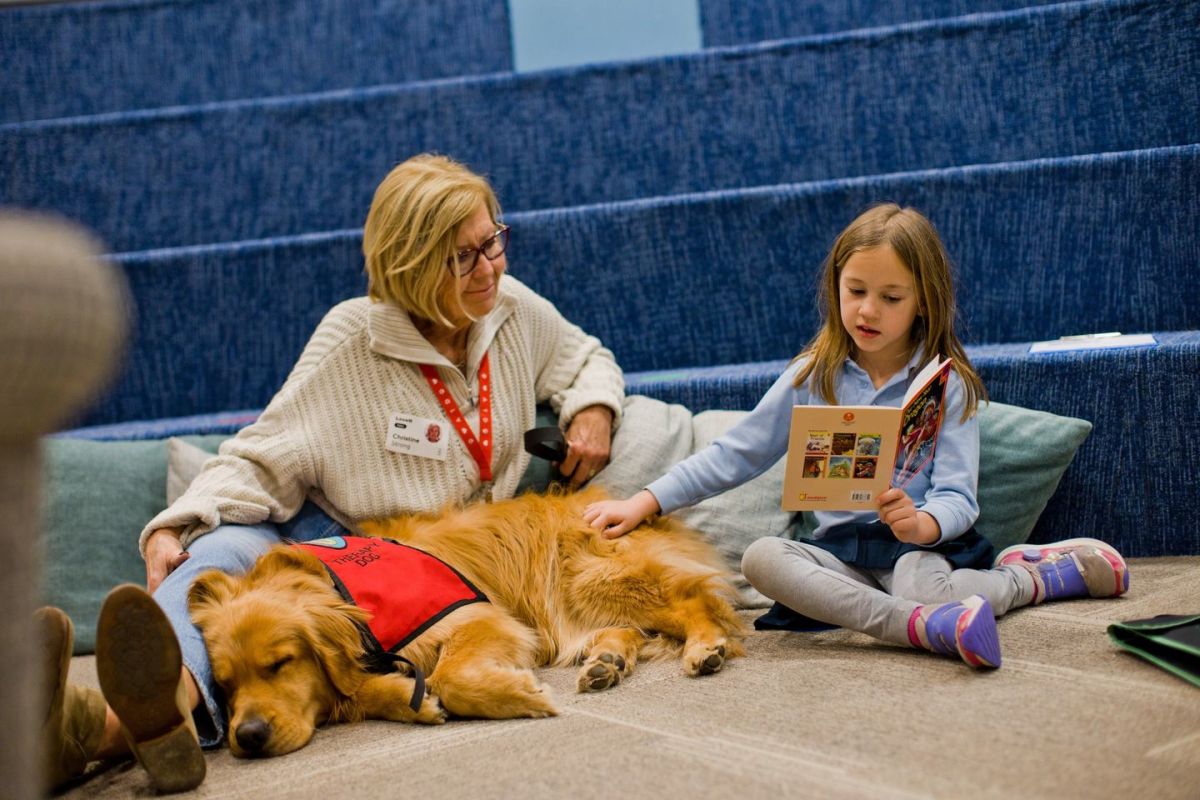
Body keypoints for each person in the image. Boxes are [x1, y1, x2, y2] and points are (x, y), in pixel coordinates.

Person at [41, 154, 625, 792]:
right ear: (411, 264)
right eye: (463, 257)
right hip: (320, 538)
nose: (489, 267)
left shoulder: (510, 308)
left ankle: (85, 733)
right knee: (212, 559)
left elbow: (585, 357)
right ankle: (123, 717)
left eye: (493, 242)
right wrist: (172, 527)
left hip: (421, 561)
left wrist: (593, 408)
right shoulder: (352, 339)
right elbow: (261, 455)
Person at [583, 203, 1129, 669]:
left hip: (917, 552)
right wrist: (645, 499)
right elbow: (735, 454)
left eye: (891, 298)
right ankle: (918, 625)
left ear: (923, 302)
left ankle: (1023, 579)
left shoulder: (946, 386)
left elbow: (959, 499)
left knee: (918, 584)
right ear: (836, 285)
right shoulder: (810, 376)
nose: (867, 310)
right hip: (842, 560)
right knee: (762, 558)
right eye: (855, 290)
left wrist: (920, 523)